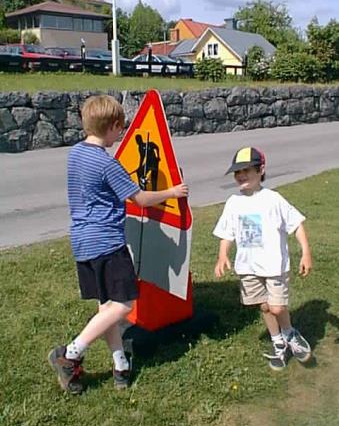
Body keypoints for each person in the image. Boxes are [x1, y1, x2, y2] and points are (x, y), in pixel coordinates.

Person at [48, 95, 188, 394]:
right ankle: (70, 354)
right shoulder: (106, 165)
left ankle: (120, 364)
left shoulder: (75, 153)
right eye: (120, 129)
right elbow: (141, 198)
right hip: (107, 243)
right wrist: (173, 192)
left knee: (106, 308)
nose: (121, 134)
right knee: (123, 305)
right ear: (112, 126)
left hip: (82, 242)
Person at [213, 146, 312, 371]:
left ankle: (290, 334)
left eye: (246, 170)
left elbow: (296, 224)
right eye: (237, 172)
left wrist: (305, 252)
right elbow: (226, 233)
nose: (241, 176)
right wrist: (222, 255)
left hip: (274, 266)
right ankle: (278, 342)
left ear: (261, 170)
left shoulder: (273, 199)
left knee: (277, 308)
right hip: (248, 268)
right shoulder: (233, 203)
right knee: (265, 307)